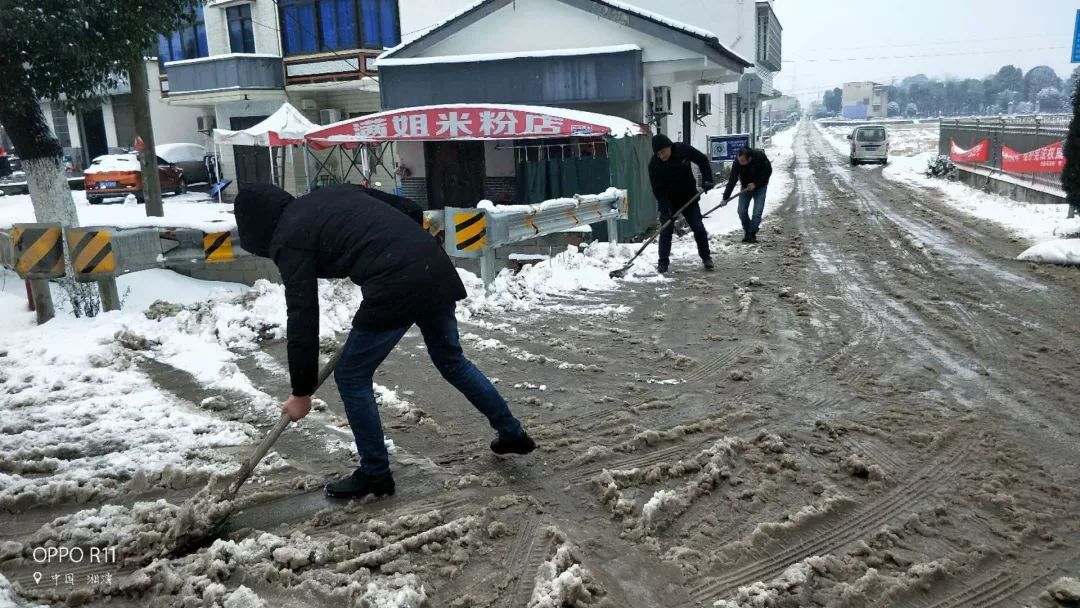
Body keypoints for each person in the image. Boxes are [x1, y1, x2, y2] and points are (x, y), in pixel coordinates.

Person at [234, 183, 536, 500]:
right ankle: (512, 433)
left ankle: (375, 473)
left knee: (351, 375)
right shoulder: (331, 194)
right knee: (452, 361)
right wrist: (395, 249)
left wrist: (300, 392)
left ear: (257, 231)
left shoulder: (288, 238)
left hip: (396, 283)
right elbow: (409, 210)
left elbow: (303, 315)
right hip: (433, 266)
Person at [648, 134, 715, 273]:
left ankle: (706, 257)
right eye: (658, 154)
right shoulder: (654, 164)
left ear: (669, 146)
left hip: (688, 197)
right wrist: (665, 208)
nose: (661, 156)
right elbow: (657, 189)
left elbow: (702, 159)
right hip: (669, 201)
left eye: (663, 152)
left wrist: (707, 179)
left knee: (698, 227)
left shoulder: (682, 150)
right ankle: (663, 263)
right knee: (665, 230)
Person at [723, 148, 773, 244]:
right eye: (739, 160)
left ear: (749, 159)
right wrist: (725, 198)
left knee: (757, 212)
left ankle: (751, 233)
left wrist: (756, 184)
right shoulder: (737, 162)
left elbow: (768, 171)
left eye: (742, 161)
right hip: (745, 187)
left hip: (760, 187)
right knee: (741, 211)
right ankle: (747, 231)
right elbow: (732, 179)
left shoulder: (759, 157)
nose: (740, 162)